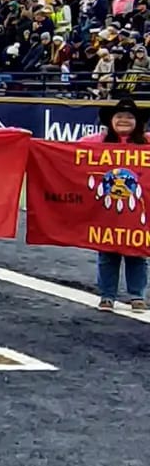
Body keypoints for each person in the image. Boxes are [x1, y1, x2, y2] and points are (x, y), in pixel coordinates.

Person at [87, 95, 148, 313]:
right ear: (111, 120)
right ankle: (107, 295)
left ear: (137, 121)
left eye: (129, 117)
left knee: (137, 252)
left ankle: (137, 296)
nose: (124, 120)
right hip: (107, 211)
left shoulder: (147, 143)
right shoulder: (97, 142)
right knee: (107, 253)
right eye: (119, 116)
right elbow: (64, 152)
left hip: (137, 213)